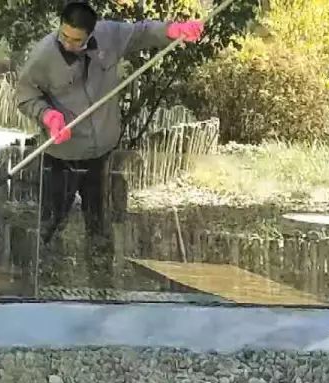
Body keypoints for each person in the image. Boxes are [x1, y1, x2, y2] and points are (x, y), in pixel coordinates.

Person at [15, 1, 205, 286]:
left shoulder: (109, 35)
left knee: (100, 226)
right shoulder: (44, 54)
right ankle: (39, 281)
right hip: (62, 155)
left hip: (101, 153)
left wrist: (173, 30)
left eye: (76, 40)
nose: (68, 43)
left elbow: (142, 32)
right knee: (51, 223)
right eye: (64, 35)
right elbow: (26, 95)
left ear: (91, 34)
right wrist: (49, 116)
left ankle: (102, 285)